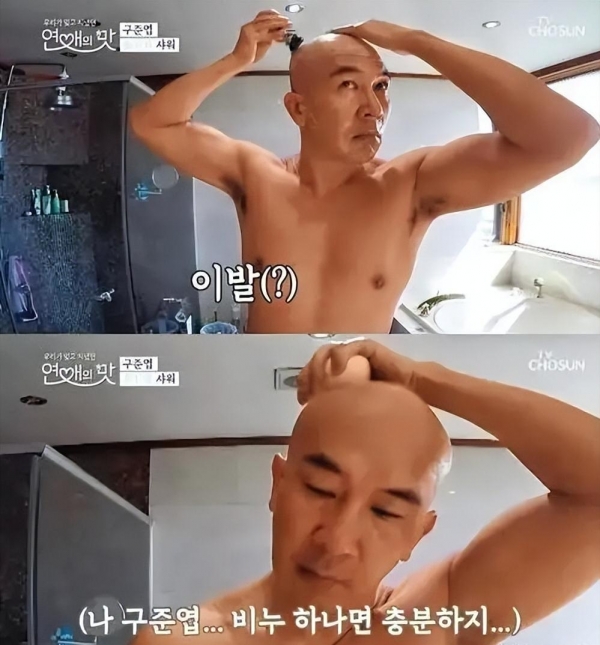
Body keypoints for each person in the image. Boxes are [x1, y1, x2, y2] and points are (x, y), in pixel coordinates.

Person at [130, 13, 599, 332]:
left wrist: (417, 42)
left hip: (356, 388)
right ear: (299, 109)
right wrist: (236, 61)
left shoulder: (410, 185)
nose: (374, 107)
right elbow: (152, 122)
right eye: (349, 85)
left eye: (381, 86)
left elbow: (568, 137)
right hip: (262, 383)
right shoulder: (256, 176)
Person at [134, 338, 600, 644]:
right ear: (278, 485)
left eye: (385, 512)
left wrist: (423, 380)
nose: (335, 541)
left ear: (417, 535)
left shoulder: (429, 622)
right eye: (321, 489)